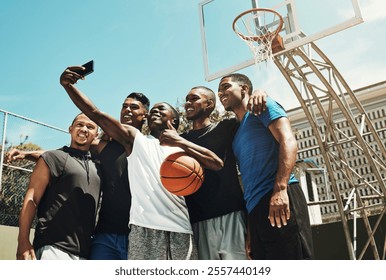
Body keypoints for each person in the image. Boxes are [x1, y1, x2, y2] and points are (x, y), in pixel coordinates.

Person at [59, 65, 224, 260]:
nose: (155, 111)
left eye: (161, 109)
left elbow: (216, 164)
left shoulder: (183, 149)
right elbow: (96, 114)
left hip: (181, 228)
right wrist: (68, 86)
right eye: (152, 110)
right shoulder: (137, 141)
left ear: (174, 120)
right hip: (144, 229)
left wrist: (179, 140)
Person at [7, 92, 151, 260]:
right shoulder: (103, 146)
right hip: (100, 236)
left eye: (133, 107)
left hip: (133, 235)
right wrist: (26, 154)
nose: (127, 110)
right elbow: (62, 155)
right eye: (124, 106)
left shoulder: (149, 146)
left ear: (145, 115)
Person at [161, 86, 265, 259]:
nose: (188, 103)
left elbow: (249, 110)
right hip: (198, 220)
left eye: (194, 98)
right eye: (187, 99)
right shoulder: (181, 139)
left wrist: (261, 92)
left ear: (209, 104)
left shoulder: (226, 127)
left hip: (231, 213)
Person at [218, 73, 314, 260]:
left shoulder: (262, 106)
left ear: (244, 89)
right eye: (219, 90)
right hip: (257, 210)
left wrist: (280, 189)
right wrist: (251, 229)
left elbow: (288, 141)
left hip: (278, 195)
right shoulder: (236, 134)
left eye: (226, 87)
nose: (221, 93)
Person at [17, 113, 101, 260]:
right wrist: (23, 241)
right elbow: (31, 199)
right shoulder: (52, 157)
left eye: (90, 127)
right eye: (79, 125)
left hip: (86, 253)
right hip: (53, 248)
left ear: (96, 134)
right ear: (70, 129)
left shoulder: (99, 166)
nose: (84, 129)